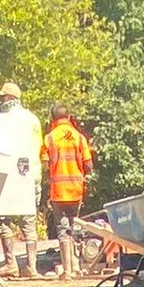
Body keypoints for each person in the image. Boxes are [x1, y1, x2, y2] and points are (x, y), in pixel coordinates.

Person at [0, 79, 41, 275]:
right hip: (32, 175)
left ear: (9, 98)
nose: (0, 101)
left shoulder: (5, 120)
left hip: (10, 174)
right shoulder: (33, 119)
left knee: (2, 216)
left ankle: (11, 264)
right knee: (29, 221)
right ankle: (31, 267)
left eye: (2, 97)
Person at [42, 108, 92, 268]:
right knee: (74, 226)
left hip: (58, 191)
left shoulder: (49, 138)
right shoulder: (79, 138)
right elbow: (89, 164)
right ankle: (77, 266)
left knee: (62, 229)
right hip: (76, 190)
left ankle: (67, 270)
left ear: (52, 118)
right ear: (69, 117)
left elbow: (44, 164)